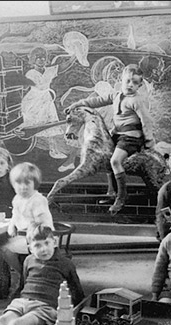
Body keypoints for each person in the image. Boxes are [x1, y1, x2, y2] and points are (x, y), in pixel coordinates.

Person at [66, 63, 155, 214]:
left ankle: (122, 197)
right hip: (118, 134)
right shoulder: (116, 95)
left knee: (115, 161)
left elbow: (146, 121)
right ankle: (111, 192)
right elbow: (97, 101)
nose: (130, 85)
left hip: (131, 138)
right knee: (106, 157)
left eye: (134, 83)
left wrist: (149, 142)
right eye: (127, 81)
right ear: (121, 80)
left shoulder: (136, 101)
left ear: (139, 85)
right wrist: (78, 104)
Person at [1, 162, 54, 297]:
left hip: (41, 235)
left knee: (6, 249)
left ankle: (25, 276)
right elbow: (15, 215)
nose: (23, 187)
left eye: (27, 183)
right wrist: (12, 225)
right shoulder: (17, 199)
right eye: (19, 184)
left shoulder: (37, 200)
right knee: (3, 248)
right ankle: (23, 274)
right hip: (23, 235)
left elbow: (40, 221)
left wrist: (31, 230)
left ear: (34, 183)